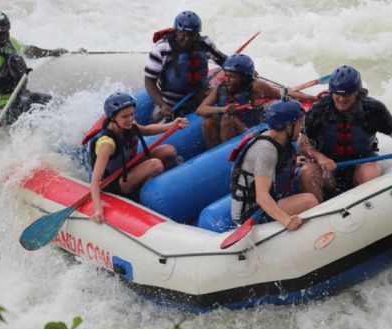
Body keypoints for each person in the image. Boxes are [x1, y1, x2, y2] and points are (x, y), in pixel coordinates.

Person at [298, 65, 392, 203]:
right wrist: (320, 158)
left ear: (357, 92)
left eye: (347, 94)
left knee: (370, 174)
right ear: (331, 92)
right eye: (337, 94)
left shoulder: (373, 109)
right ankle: (317, 215)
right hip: (328, 168)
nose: (341, 99)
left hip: (362, 162)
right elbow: (304, 144)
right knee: (307, 172)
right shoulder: (319, 109)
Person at [88, 92, 188, 224]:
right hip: (115, 183)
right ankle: (145, 199)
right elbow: (95, 181)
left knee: (168, 151)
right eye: (125, 116)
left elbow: (146, 130)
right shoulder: (107, 143)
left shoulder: (128, 124)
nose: (130, 119)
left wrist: (172, 125)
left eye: (131, 114)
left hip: (128, 166)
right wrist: (98, 209)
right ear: (112, 118)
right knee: (155, 164)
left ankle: (152, 185)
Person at [197, 53, 318, 150]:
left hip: (250, 130)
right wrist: (222, 109)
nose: (227, 80)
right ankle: (213, 156)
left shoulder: (256, 87)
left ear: (244, 77)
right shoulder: (221, 88)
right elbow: (201, 110)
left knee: (227, 119)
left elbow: (286, 95)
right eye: (226, 75)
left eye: (232, 77)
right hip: (228, 131)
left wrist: (316, 99)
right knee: (208, 120)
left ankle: (225, 156)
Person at [230, 99, 318, 230]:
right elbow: (262, 197)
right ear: (289, 125)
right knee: (310, 201)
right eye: (300, 121)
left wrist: (291, 163)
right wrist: (287, 221)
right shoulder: (266, 150)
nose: (303, 126)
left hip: (256, 207)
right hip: (250, 215)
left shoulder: (275, 137)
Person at [144, 10, 228, 123]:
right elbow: (149, 80)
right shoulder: (161, 48)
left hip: (198, 93)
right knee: (157, 118)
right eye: (183, 34)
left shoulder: (204, 42)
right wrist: (162, 105)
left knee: (214, 94)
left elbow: (223, 61)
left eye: (192, 35)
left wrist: (244, 69)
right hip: (169, 101)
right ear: (176, 31)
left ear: (197, 33)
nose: (187, 39)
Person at [0, 10, 68, 132]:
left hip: (19, 98)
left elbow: (29, 50)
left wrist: (52, 52)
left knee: (55, 103)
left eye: (5, 31)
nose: (3, 36)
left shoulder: (10, 43)